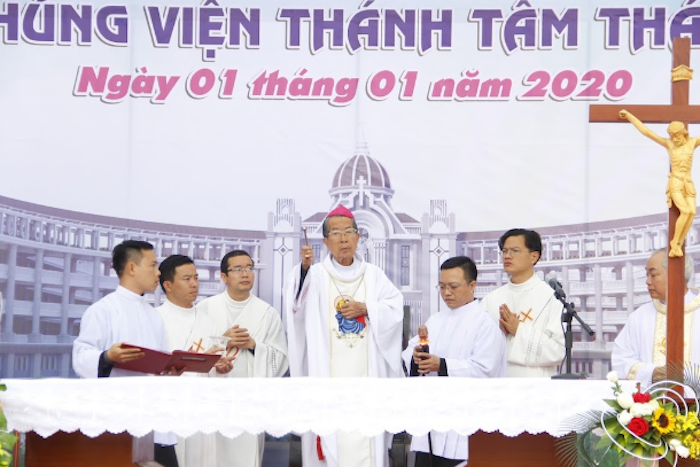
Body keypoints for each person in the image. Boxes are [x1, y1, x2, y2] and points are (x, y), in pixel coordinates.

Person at [285, 205, 405, 467]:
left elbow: (395, 308)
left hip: (367, 383)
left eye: (349, 232)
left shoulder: (374, 275)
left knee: (367, 439)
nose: (343, 239)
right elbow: (296, 307)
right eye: (336, 233)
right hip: (326, 379)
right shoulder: (315, 274)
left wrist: (367, 308)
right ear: (325, 241)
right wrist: (304, 268)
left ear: (358, 237)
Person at [72, 240, 180, 467]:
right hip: (116, 418)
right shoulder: (102, 310)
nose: (158, 272)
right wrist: (107, 357)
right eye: (152, 265)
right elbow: (81, 357)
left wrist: (169, 369)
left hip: (153, 416)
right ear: (132, 268)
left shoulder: (153, 315)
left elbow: (160, 360)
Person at [403, 256, 506, 467]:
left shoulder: (485, 324)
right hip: (432, 421)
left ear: (472, 285)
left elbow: (484, 370)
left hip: (465, 422)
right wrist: (417, 356)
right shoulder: (436, 320)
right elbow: (409, 355)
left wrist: (441, 365)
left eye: (453, 286)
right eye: (441, 287)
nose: (446, 293)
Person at [198, 249, 288, 467]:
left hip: (249, 402)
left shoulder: (267, 313)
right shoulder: (205, 308)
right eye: (238, 269)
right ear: (224, 276)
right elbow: (193, 352)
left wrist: (254, 346)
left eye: (249, 268)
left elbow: (281, 358)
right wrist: (223, 341)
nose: (245, 273)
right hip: (213, 400)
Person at [157, 255, 233, 467]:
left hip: (201, 408)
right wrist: (200, 360)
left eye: (196, 278)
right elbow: (155, 368)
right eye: (187, 279)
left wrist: (220, 368)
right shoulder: (156, 319)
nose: (194, 284)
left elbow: (214, 369)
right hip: (170, 408)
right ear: (168, 285)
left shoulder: (207, 321)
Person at [480, 228, 565, 377]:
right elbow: (479, 349)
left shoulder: (552, 298)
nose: (507, 256)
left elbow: (559, 351)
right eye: (504, 251)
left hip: (536, 383)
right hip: (498, 382)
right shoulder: (491, 299)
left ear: (534, 256)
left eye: (515, 251)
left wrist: (518, 330)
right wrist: (499, 334)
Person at [612, 248, 699, 387]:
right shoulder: (639, 316)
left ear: (676, 274)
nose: (647, 281)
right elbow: (621, 359)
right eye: (647, 275)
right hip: (650, 399)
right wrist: (651, 373)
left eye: (653, 275)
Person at [619, 110, 700, 257]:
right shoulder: (669, 144)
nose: (674, 139)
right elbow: (647, 132)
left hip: (688, 182)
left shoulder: (692, 143)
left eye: (677, 136)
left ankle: (678, 244)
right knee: (686, 211)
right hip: (676, 182)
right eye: (672, 136)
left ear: (683, 133)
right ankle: (675, 243)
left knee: (692, 212)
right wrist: (630, 116)